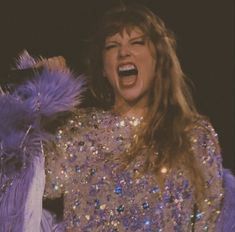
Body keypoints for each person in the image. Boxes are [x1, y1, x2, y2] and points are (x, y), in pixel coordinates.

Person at [0, 3, 234, 232]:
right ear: (103, 67)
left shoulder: (194, 135)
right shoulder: (77, 132)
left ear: (158, 59)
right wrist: (39, 95)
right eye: (112, 46)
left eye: (137, 42)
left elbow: (211, 220)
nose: (124, 52)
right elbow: (16, 182)